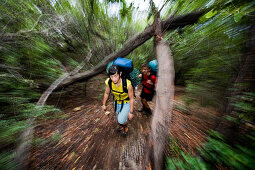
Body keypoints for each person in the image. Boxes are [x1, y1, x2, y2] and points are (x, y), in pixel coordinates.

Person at [102, 65, 134, 137]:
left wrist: (131, 112)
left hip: (126, 103)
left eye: (115, 76)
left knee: (121, 120)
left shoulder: (127, 84)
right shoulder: (109, 82)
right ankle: (121, 126)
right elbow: (107, 93)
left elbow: (131, 98)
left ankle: (125, 126)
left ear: (120, 74)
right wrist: (104, 104)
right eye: (111, 76)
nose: (113, 79)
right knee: (119, 115)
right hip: (116, 102)